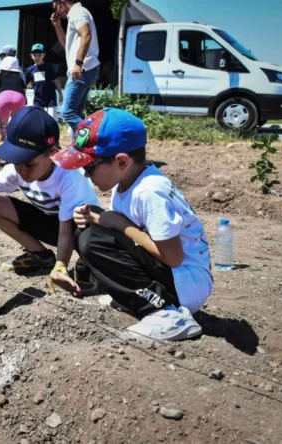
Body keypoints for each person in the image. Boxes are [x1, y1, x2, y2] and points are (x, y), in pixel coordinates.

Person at [52, 108, 211, 341]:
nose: (85, 175)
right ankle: (138, 297)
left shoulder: (150, 191)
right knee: (87, 232)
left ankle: (166, 313)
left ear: (122, 162)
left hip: (186, 281)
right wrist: (99, 218)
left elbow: (173, 257)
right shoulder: (128, 182)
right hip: (177, 275)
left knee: (93, 241)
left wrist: (119, 223)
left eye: (89, 167)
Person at [0, 107, 99, 284]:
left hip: (79, 228)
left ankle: (89, 264)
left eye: (29, 163)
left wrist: (61, 266)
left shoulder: (68, 176)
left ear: (53, 154)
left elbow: (66, 229)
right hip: (52, 222)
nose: (21, 170)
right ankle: (41, 256)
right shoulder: (16, 169)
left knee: (90, 242)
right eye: (16, 160)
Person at [51, 0, 100, 135]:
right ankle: (78, 149)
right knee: (76, 112)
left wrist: (78, 63)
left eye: (55, 8)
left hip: (82, 69)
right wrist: (57, 26)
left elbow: (86, 35)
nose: (56, 13)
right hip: (86, 68)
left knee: (67, 112)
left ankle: (91, 138)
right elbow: (67, 45)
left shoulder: (78, 12)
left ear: (62, 3)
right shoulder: (75, 15)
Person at [0, 56, 27, 175]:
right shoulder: (20, 76)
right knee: (16, 131)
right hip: (19, 99)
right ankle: (15, 162)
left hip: (3, 98)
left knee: (1, 131)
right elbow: (24, 87)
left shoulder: (1, 74)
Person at [25, 43, 64, 121]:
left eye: (39, 55)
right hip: (38, 100)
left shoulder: (49, 67)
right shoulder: (29, 70)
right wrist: (24, 96)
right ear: (31, 55)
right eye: (35, 55)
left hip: (50, 98)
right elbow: (25, 84)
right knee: (39, 120)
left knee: (52, 119)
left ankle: (53, 132)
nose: (37, 57)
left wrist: (60, 94)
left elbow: (56, 81)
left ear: (44, 55)